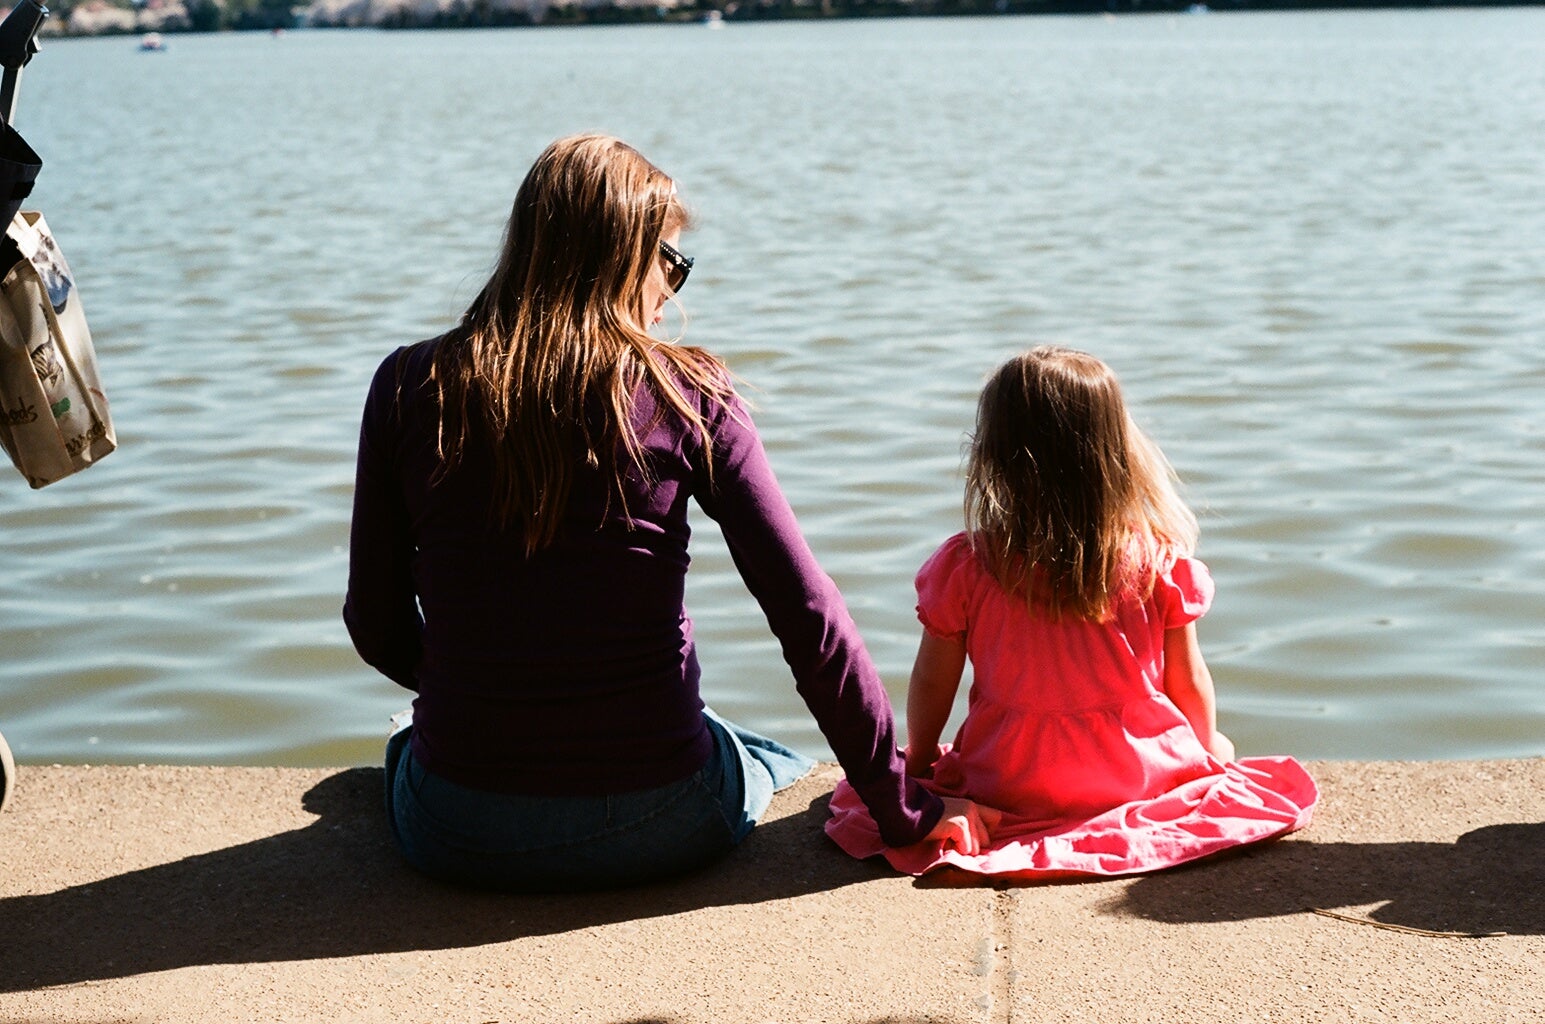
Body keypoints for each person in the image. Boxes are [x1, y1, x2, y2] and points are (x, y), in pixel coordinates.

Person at [344, 134, 988, 892]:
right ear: (628, 263)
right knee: (752, 754)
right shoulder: (689, 392)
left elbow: (375, 623)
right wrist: (900, 808)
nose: (670, 294)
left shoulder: (407, 386)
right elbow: (804, 613)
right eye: (671, 266)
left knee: (405, 743)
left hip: (455, 830)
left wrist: (483, 693)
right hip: (661, 822)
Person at [826, 346, 1318, 879]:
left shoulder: (969, 566)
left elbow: (932, 680)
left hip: (1009, 779)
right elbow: (1187, 677)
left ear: (994, 456)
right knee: (1218, 745)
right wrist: (1207, 749)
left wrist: (919, 760)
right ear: (1117, 452)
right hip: (1139, 774)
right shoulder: (1157, 560)